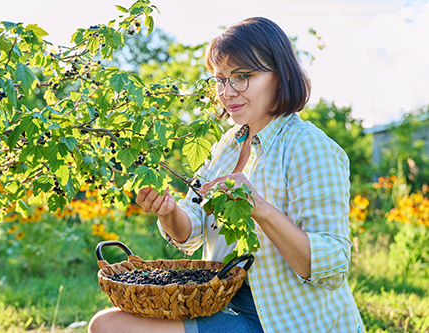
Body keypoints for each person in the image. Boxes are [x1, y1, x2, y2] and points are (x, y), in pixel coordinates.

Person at [88, 17, 365, 333]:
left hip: (289, 321)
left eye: (242, 77)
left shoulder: (309, 147)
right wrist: (169, 212)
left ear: (281, 75)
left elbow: (332, 265)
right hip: (228, 308)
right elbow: (189, 230)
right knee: (108, 324)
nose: (226, 92)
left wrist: (258, 207)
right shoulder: (226, 147)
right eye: (220, 79)